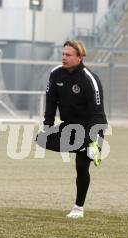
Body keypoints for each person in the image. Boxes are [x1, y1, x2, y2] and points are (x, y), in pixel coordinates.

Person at [36, 40, 107, 219]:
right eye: (63, 54)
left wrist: (92, 138)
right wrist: (47, 126)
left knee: (82, 167)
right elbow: (51, 104)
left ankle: (78, 208)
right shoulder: (55, 74)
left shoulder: (89, 78)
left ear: (80, 57)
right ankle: (85, 148)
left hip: (91, 127)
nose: (64, 58)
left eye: (68, 55)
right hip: (69, 127)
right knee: (41, 139)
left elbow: (98, 113)